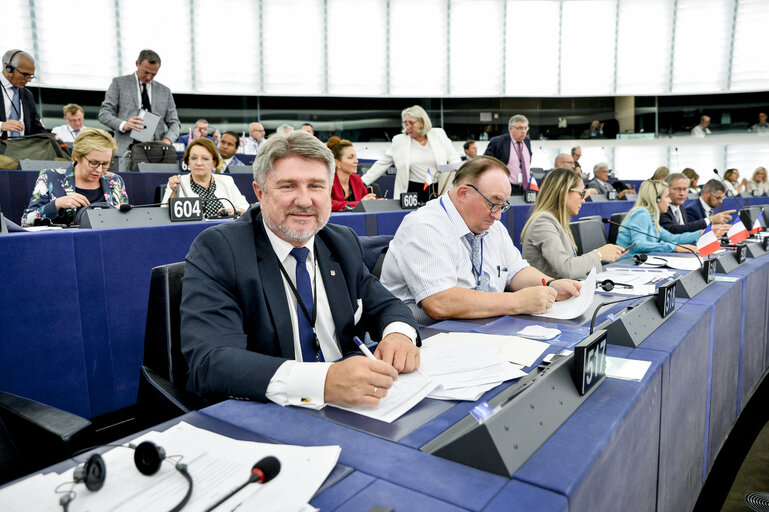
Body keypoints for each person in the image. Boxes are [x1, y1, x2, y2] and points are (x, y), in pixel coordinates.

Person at [181, 130, 420, 408]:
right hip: (269, 411)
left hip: (351, 406)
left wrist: (399, 335)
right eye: (288, 186)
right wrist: (322, 382)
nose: (305, 201)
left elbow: (387, 305)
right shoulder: (220, 249)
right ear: (260, 192)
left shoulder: (340, 241)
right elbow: (212, 362)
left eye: (316, 186)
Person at [380, 156, 581, 327]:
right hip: (427, 337)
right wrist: (517, 301)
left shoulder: (491, 224)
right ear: (463, 193)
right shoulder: (425, 226)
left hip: (479, 328)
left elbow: (515, 270)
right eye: (493, 203)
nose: (498, 216)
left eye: (503, 206)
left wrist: (551, 284)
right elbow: (439, 303)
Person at [521, 168, 626, 279]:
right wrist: (599, 254)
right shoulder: (543, 222)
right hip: (547, 293)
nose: (583, 200)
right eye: (581, 194)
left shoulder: (556, 221)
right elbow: (567, 269)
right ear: (563, 192)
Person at [21, 128, 127, 226]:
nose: (99, 170)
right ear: (77, 156)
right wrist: (57, 204)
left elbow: (127, 222)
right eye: (93, 163)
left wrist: (122, 215)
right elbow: (26, 221)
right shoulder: (50, 177)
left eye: (105, 164)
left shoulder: (115, 180)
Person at [362, 105, 460, 201]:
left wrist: (460, 178)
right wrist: (362, 182)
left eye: (411, 123)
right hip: (411, 192)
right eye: (405, 123)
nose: (408, 127)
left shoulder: (438, 135)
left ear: (422, 122)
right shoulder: (399, 141)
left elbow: (454, 159)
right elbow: (382, 164)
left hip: (438, 189)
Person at [98, 49, 181, 158]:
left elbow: (175, 123)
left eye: (153, 74)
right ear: (137, 64)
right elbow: (104, 114)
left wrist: (167, 140)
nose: (148, 77)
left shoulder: (165, 91)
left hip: (156, 153)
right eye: (146, 72)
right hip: (124, 151)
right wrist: (124, 124)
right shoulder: (119, 83)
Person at [162, 138, 249, 217]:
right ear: (188, 162)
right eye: (194, 158)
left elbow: (246, 209)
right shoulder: (178, 182)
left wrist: (234, 212)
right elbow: (163, 215)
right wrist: (173, 192)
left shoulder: (227, 181)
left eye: (205, 159)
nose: (199, 163)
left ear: (214, 163)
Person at [616, 180, 699, 260]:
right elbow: (639, 244)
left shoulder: (651, 217)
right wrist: (674, 247)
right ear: (656, 199)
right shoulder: (641, 213)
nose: (669, 201)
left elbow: (672, 238)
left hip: (639, 261)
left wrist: (699, 233)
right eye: (666, 197)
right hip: (626, 263)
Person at [660, 173, 732, 236]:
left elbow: (686, 230)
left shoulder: (681, 208)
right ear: (666, 189)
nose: (682, 193)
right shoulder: (662, 210)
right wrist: (709, 220)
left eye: (685, 189)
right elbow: (674, 231)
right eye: (677, 189)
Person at [1, 49, 46, 138]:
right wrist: (1, 126)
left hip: (22, 149)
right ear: (8, 68)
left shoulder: (27, 95)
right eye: (25, 74)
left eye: (31, 76)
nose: (29, 80)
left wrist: (50, 138)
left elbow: (35, 128)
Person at [483, 114, 533, 194]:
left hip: (526, 188)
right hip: (505, 188)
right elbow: (485, 163)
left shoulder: (527, 141)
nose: (524, 131)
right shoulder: (498, 142)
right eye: (520, 128)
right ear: (510, 128)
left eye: (525, 128)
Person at [327, 136, 376, 211]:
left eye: (356, 157)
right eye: (350, 157)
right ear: (337, 162)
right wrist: (360, 203)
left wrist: (379, 201)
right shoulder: (327, 180)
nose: (356, 161)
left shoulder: (356, 179)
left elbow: (367, 199)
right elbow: (329, 204)